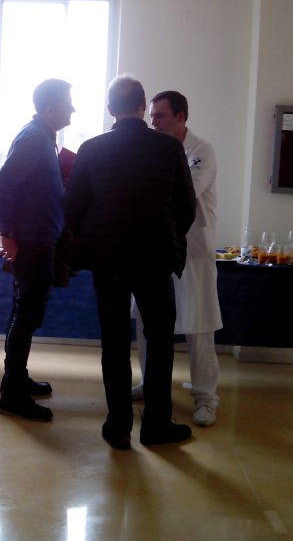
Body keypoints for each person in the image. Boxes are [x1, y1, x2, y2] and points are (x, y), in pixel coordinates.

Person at [64, 76, 196, 449]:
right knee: (160, 341)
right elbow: (186, 206)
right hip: (155, 257)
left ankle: (118, 425)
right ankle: (156, 424)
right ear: (142, 106)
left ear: (110, 109)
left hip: (108, 259)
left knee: (114, 342)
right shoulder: (169, 148)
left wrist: (92, 239)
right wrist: (169, 236)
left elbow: (72, 208)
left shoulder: (91, 149)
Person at [133, 90, 222, 427]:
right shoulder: (152, 149)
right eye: (151, 116)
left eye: (160, 116)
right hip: (155, 249)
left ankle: (205, 397)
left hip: (193, 251)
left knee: (199, 327)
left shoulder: (201, 151)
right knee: (148, 322)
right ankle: (149, 383)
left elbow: (187, 192)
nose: (153, 122)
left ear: (181, 117)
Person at [0, 78, 74, 421]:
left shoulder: (42, 138)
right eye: (67, 103)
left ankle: (16, 378)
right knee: (27, 315)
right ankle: (13, 395)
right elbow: (1, 187)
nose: (72, 108)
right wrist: (7, 233)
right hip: (32, 242)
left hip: (39, 239)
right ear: (50, 109)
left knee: (24, 312)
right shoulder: (35, 138)